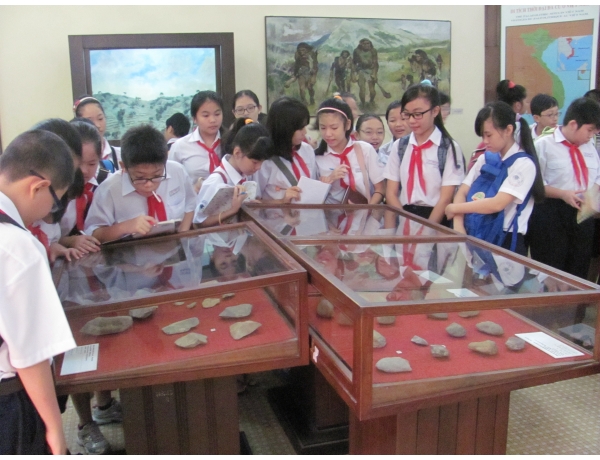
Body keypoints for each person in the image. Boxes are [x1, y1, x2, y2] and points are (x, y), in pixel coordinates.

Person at [0, 130, 76, 455]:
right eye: (55, 203)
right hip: (8, 402)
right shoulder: (17, 245)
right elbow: (30, 355)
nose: (49, 214)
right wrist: (56, 431)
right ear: (38, 186)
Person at [445, 101, 544, 256]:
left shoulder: (524, 164)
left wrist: (455, 208)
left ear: (508, 130)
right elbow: (463, 191)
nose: (485, 141)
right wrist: (459, 225)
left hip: (506, 238)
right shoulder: (486, 158)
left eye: (489, 135)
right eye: (483, 135)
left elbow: (497, 204)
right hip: (476, 231)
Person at [527, 97, 600, 280]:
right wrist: (563, 194)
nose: (591, 135)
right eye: (589, 130)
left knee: (579, 270)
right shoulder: (544, 145)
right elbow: (532, 184)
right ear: (574, 124)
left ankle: (576, 309)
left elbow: (597, 176)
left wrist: (592, 195)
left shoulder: (590, 147)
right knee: (550, 272)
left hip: (583, 214)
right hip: (551, 214)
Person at [85, 124, 196, 243]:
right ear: (124, 167)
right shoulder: (109, 190)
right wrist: (124, 227)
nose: (149, 184)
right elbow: (94, 234)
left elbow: (190, 204)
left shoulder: (177, 172)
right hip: (129, 258)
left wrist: (182, 236)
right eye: (140, 177)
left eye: (157, 175)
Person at [384, 83, 464, 225]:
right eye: (407, 114)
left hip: (436, 219)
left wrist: (427, 230)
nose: (412, 120)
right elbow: (391, 193)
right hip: (403, 215)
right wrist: (405, 222)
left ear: (435, 111)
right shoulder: (400, 146)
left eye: (418, 114)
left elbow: (446, 198)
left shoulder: (448, 148)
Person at [194, 119, 273, 227]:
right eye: (255, 162)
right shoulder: (216, 182)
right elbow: (198, 223)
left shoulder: (245, 176)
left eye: (262, 162)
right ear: (237, 153)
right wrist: (232, 210)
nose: (258, 167)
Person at [314, 96, 385, 204]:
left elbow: (380, 188)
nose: (328, 134)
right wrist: (330, 178)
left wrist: (368, 210)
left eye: (334, 128)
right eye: (323, 128)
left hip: (364, 217)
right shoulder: (316, 157)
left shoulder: (364, 150)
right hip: (332, 219)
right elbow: (312, 199)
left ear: (347, 124)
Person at [257, 96, 316, 203]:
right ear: (285, 128)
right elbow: (253, 203)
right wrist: (281, 200)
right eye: (300, 128)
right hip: (275, 218)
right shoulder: (264, 159)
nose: (305, 132)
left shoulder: (307, 150)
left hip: (307, 216)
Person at [169, 90, 225, 189]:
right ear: (194, 118)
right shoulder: (180, 146)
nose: (212, 120)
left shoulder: (230, 141)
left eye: (217, 114)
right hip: (193, 202)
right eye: (206, 115)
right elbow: (171, 181)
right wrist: (193, 189)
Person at [73, 96, 121, 170]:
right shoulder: (73, 158)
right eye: (90, 121)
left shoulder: (120, 155)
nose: (97, 125)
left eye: (100, 118)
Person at [352, 38, 379, 106]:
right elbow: (354, 63)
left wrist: (374, 74)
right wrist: (353, 74)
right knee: (362, 89)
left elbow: (375, 63)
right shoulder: (357, 51)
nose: (367, 45)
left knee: (372, 91)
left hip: (370, 70)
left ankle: (371, 101)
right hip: (361, 70)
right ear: (361, 44)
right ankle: (363, 103)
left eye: (368, 43)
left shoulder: (373, 51)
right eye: (365, 44)